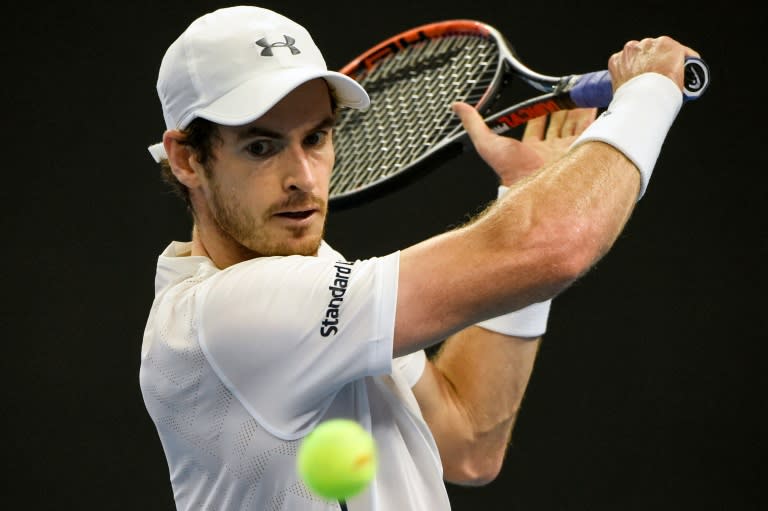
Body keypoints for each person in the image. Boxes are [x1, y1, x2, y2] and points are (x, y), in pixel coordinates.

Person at [139, 5, 699, 511]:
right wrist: (647, 95)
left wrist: (525, 187)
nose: (304, 179)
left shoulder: (315, 279)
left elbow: (468, 440)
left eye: (316, 138)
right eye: (262, 147)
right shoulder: (222, 318)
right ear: (187, 158)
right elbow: (549, 244)